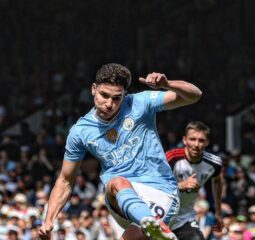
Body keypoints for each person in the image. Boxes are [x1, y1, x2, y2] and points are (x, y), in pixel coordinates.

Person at [38, 63, 202, 240]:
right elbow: (65, 180)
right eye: (104, 95)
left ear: (125, 95)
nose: (109, 104)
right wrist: (48, 220)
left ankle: (151, 224)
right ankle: (152, 223)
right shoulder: (80, 131)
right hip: (119, 198)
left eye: (117, 98)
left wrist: (168, 84)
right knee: (116, 182)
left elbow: (194, 95)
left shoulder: (140, 103)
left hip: (160, 191)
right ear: (94, 89)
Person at [166, 121, 223, 240]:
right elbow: (155, 186)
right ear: (185, 140)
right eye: (192, 139)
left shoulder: (214, 163)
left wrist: (218, 211)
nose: (196, 144)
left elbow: (218, 180)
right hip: (162, 216)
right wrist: (181, 185)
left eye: (201, 140)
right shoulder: (171, 158)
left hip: (185, 218)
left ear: (207, 142)